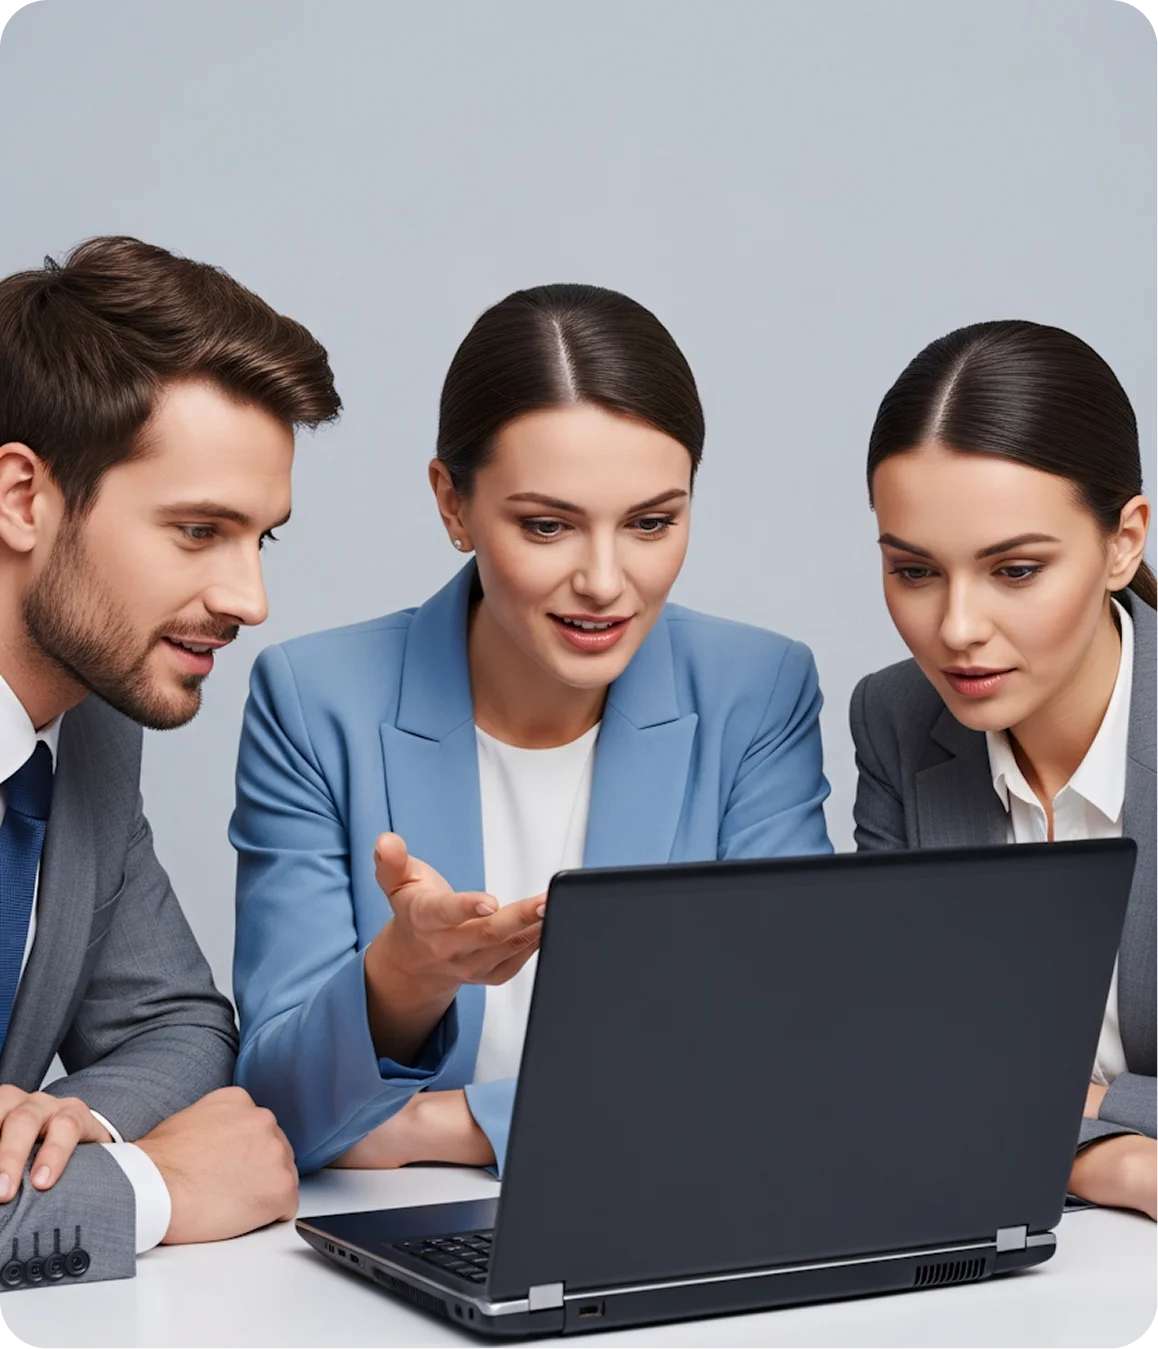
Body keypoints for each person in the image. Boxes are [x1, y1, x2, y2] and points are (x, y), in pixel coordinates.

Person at [231, 283, 832, 1177]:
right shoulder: (315, 701)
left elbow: (794, 1058)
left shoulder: (756, 692)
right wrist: (409, 971)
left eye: (652, 523)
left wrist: (444, 1127)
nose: (603, 579)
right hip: (383, 1256)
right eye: (548, 525)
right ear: (453, 504)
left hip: (666, 1221)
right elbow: (283, 1106)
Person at [0, 235, 340, 1292]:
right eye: (198, 530)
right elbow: (194, 1157)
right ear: (21, 496)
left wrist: (72, 1123)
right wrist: (154, 1185)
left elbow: (175, 1022)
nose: (249, 599)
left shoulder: (92, 729)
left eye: (260, 539)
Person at [850, 319, 1158, 1220]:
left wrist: (1089, 1105)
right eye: (914, 571)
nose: (955, 628)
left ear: (1122, 540)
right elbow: (900, 1063)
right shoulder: (896, 719)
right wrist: (1115, 1160)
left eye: (1014, 569)